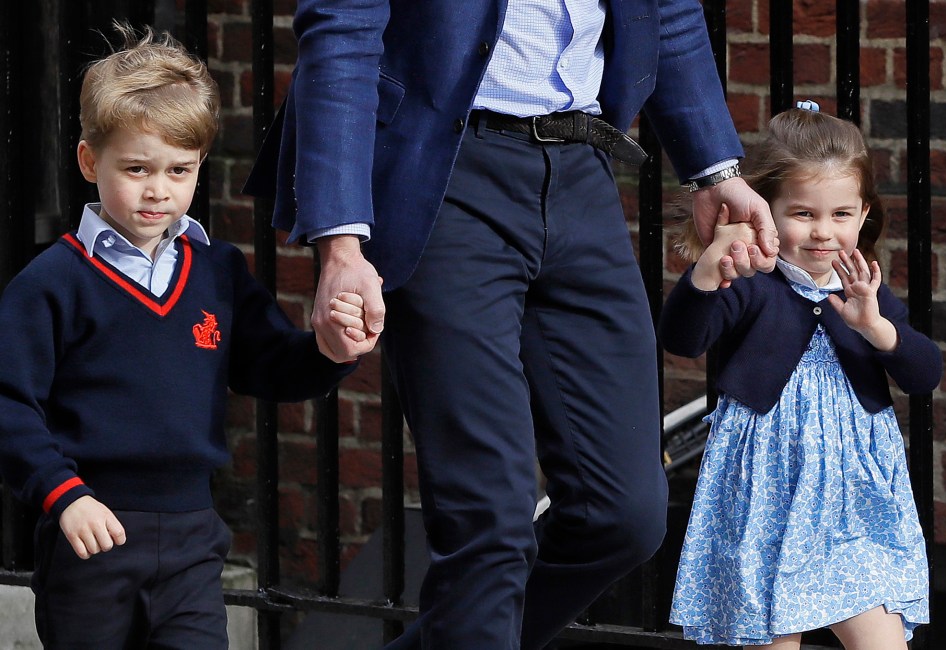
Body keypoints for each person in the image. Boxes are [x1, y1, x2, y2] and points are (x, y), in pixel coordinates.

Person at [245, 2, 780, 648]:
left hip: (581, 169)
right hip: (443, 173)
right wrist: (340, 244)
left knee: (623, 515)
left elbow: (666, 9)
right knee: (488, 528)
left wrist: (714, 168)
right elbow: (342, 30)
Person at [0, 24, 369, 649]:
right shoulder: (52, 282)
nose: (157, 190)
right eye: (136, 167)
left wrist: (328, 351)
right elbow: (9, 404)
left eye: (179, 170)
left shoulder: (219, 271)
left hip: (195, 533)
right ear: (90, 161)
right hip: (90, 531)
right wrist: (64, 496)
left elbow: (271, 365)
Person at [661, 105, 942, 649]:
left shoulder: (866, 292)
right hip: (763, 487)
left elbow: (925, 372)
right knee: (769, 635)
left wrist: (877, 329)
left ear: (863, 215)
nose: (822, 232)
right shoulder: (752, 281)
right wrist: (707, 268)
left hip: (854, 501)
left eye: (841, 214)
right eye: (803, 213)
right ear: (767, 211)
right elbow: (683, 340)